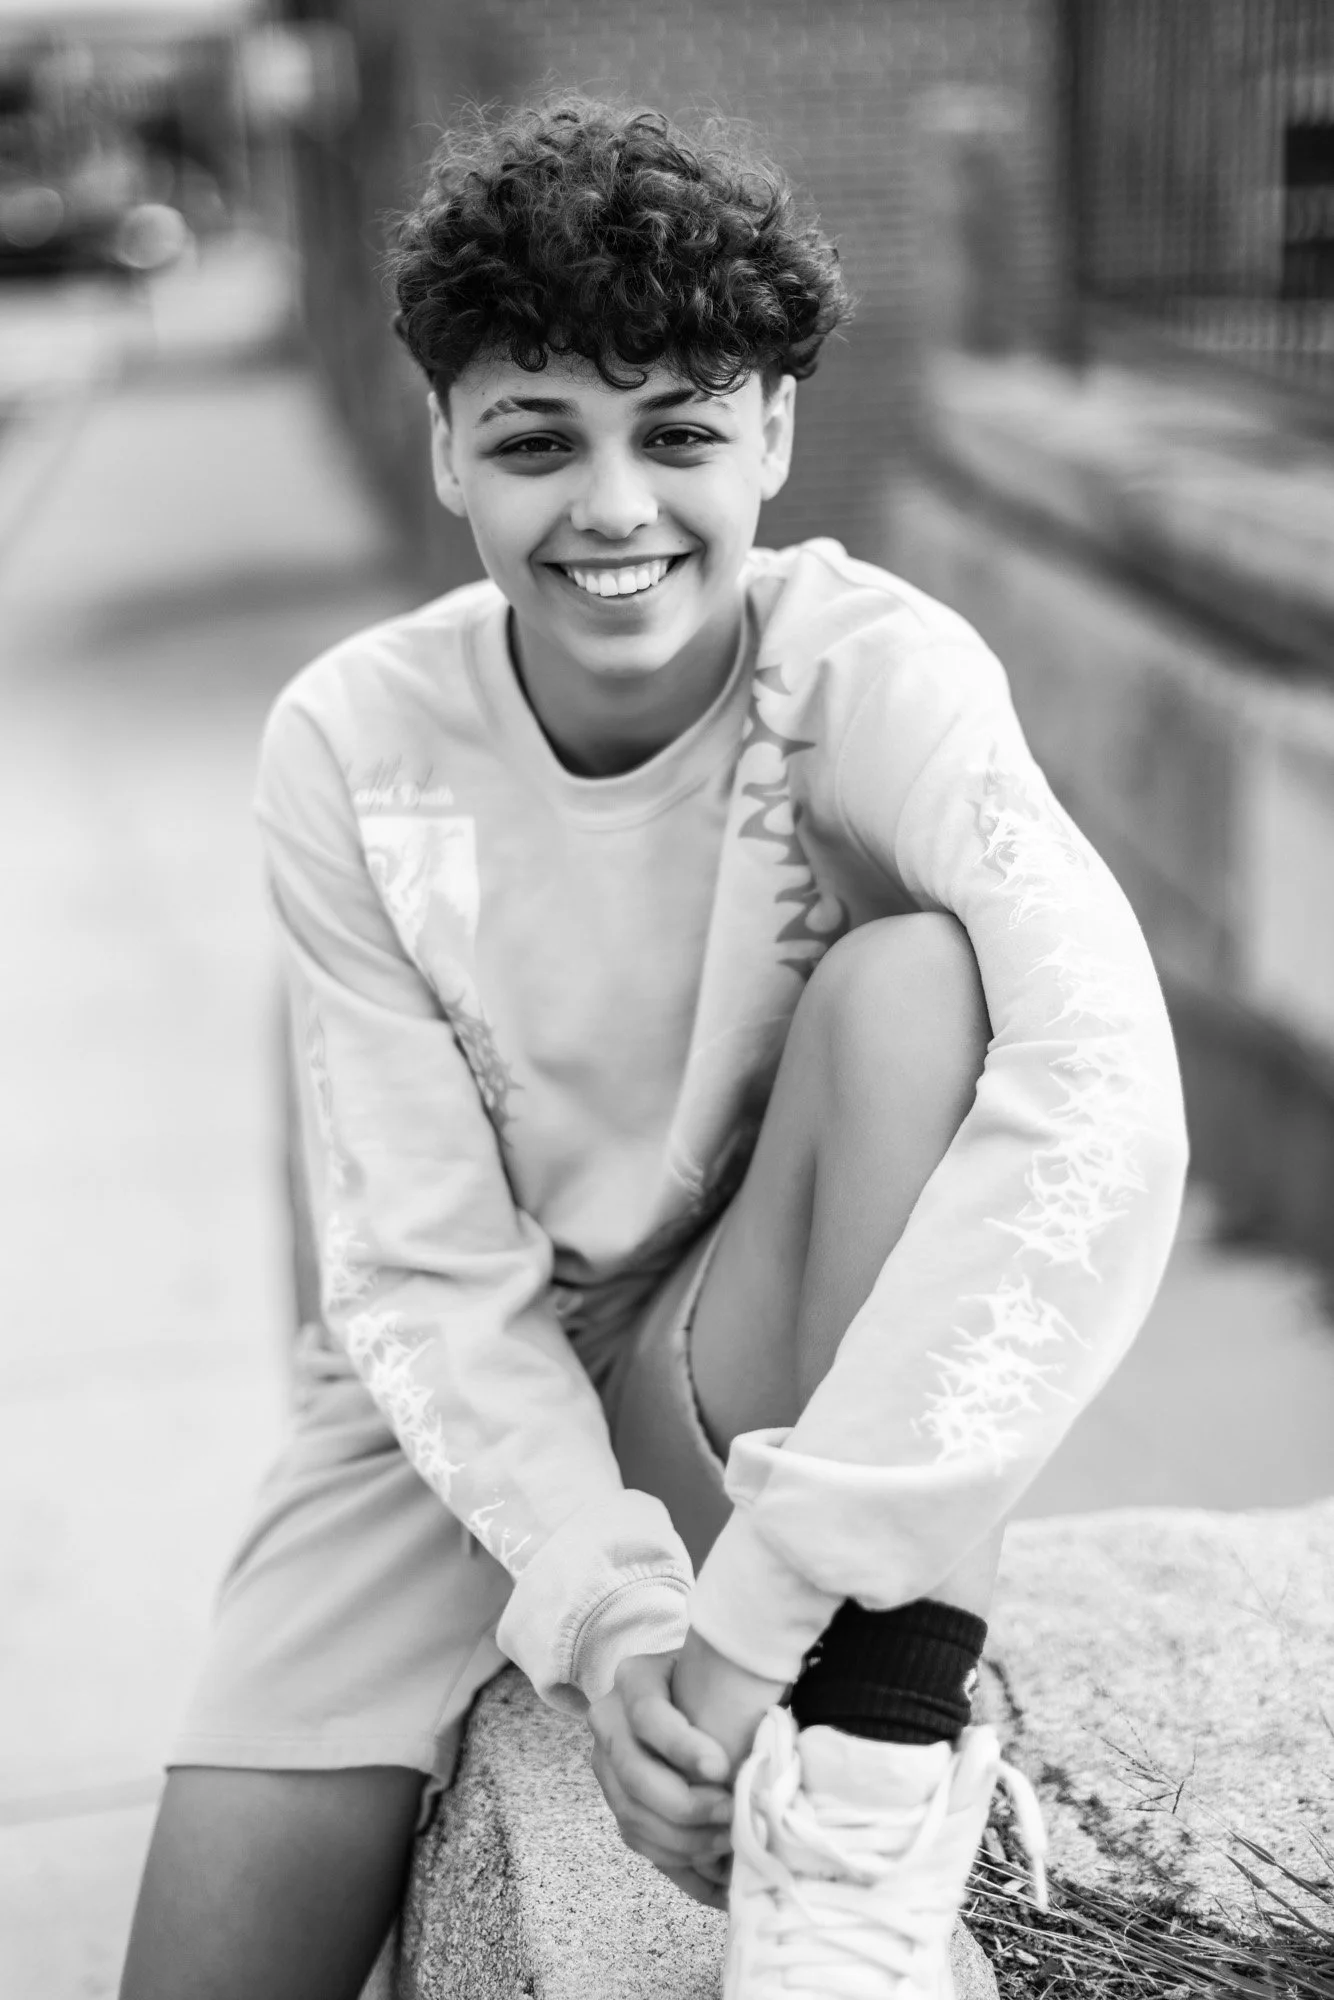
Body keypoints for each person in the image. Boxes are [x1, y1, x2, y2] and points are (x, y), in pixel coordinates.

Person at [119, 97, 1188, 2000]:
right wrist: (612, 1626)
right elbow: (419, 1265)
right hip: (437, 1420)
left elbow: (1104, 1079)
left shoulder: (879, 678)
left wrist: (773, 1611)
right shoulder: (349, 745)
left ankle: (874, 1778)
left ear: (773, 431)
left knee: (922, 987)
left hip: (736, 1356)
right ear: (447, 451)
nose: (612, 506)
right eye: (536, 440)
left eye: (680, 431)